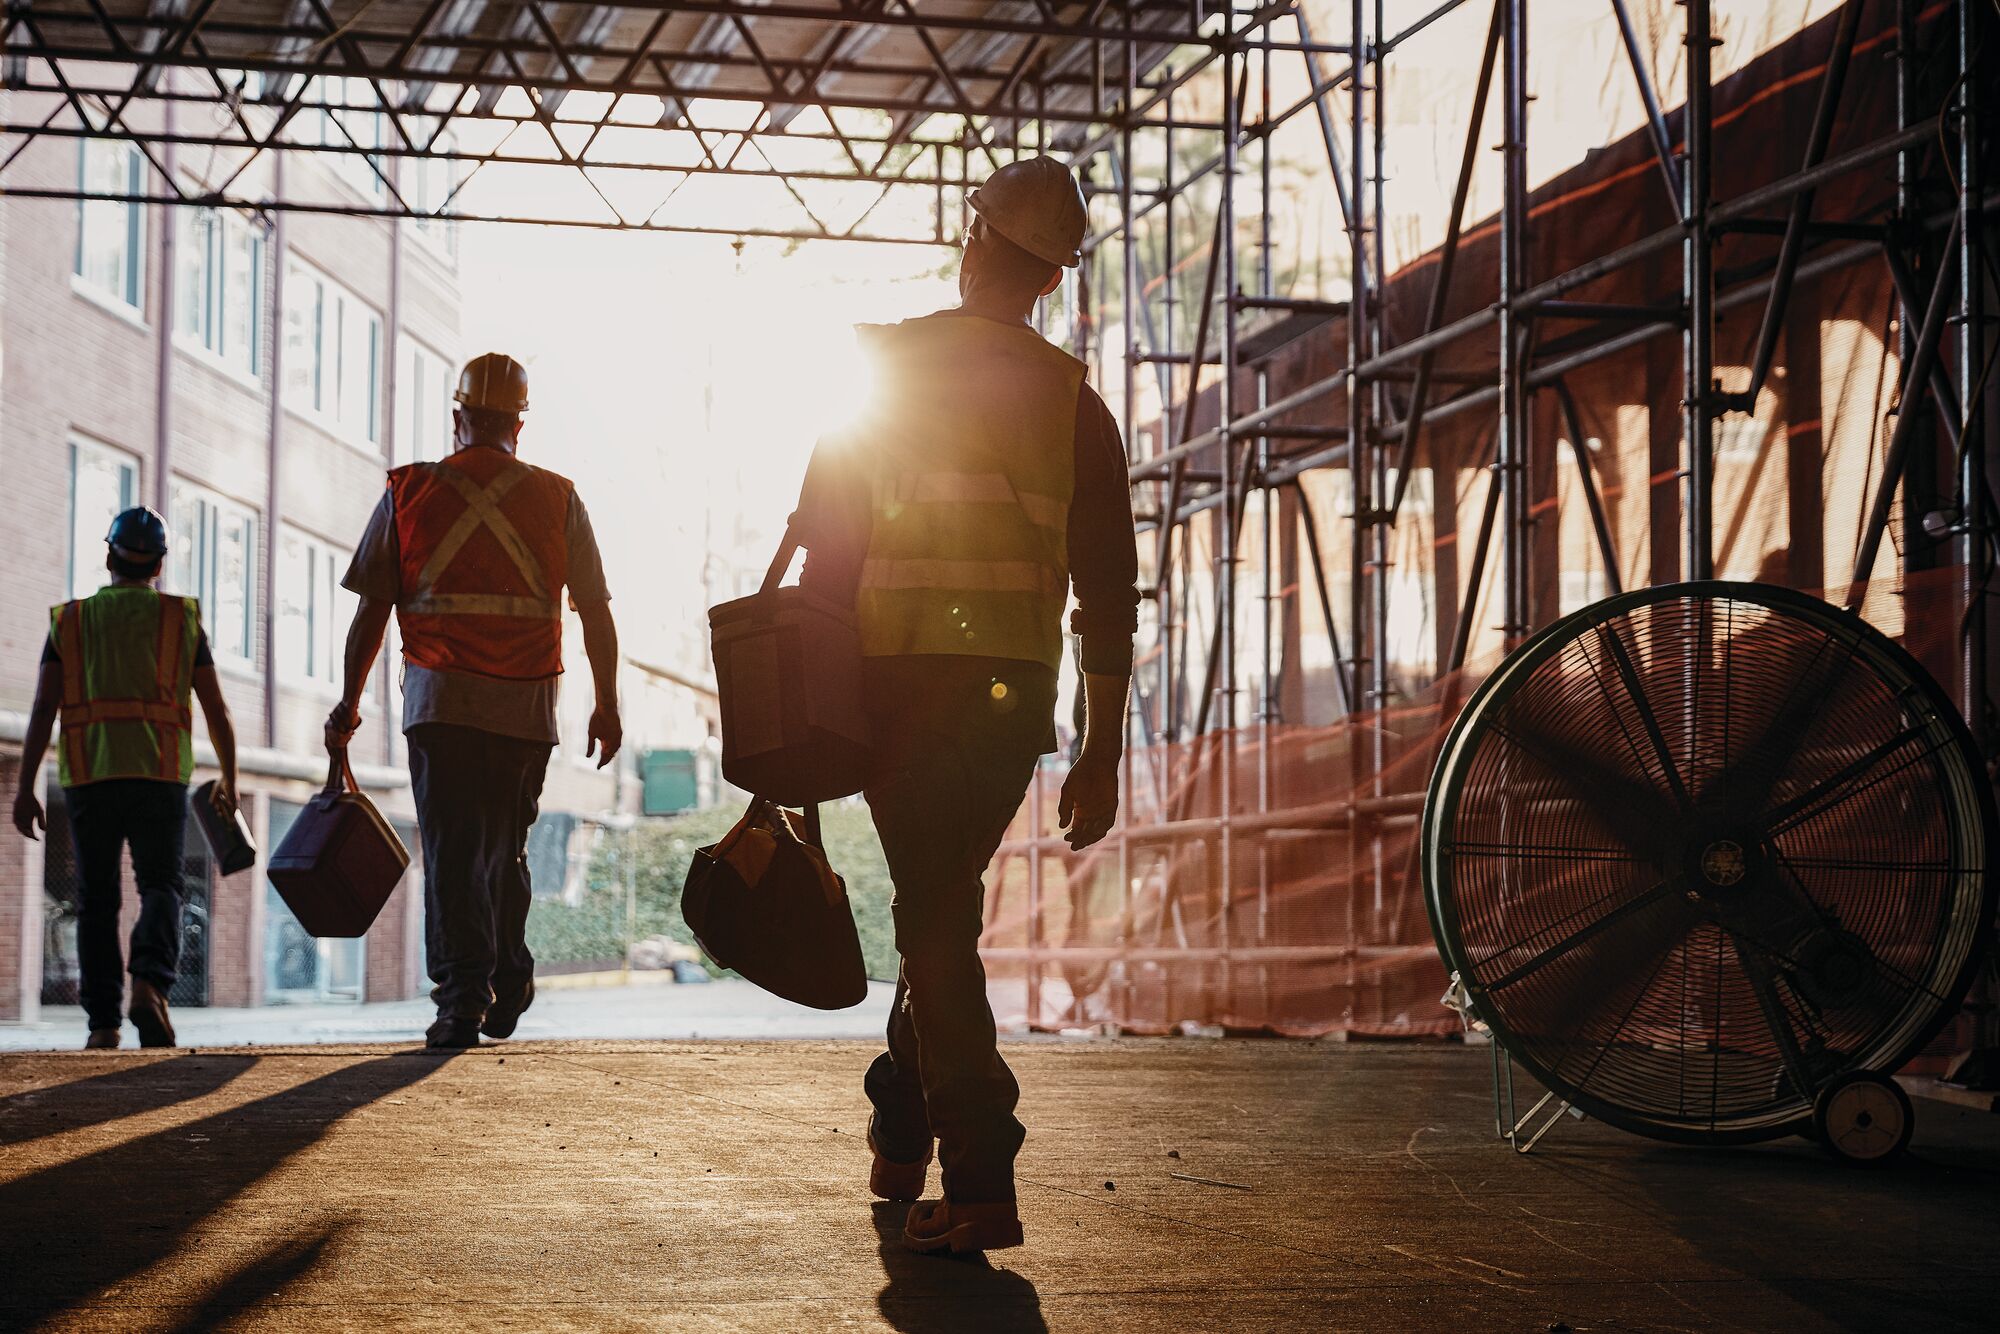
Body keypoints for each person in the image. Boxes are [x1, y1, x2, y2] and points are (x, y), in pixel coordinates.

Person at [789, 156, 1139, 1254]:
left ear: (970, 241)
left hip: (898, 686)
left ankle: (983, 1170)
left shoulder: (886, 372)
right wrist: (1100, 747)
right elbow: (1109, 591)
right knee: (935, 908)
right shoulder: (1069, 400)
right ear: (1049, 278)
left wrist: (802, 727)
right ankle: (899, 1125)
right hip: (1009, 700)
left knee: (932, 915)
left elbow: (824, 565)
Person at [327, 352, 622, 1050]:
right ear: (520, 423)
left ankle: (462, 1000)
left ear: (457, 417)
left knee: (454, 855)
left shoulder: (411, 491)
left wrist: (347, 703)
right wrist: (607, 703)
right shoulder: (558, 497)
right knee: (504, 848)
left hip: (442, 703)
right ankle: (511, 975)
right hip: (525, 708)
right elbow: (597, 612)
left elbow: (372, 610)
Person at [10, 507, 240, 1049]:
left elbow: (43, 708)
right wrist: (229, 776)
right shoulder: (179, 620)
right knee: (162, 884)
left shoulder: (71, 621)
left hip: (90, 775)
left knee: (97, 899)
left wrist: (24, 788)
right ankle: (149, 984)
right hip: (159, 774)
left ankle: (103, 1025)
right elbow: (217, 709)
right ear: (158, 564)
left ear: (109, 556)